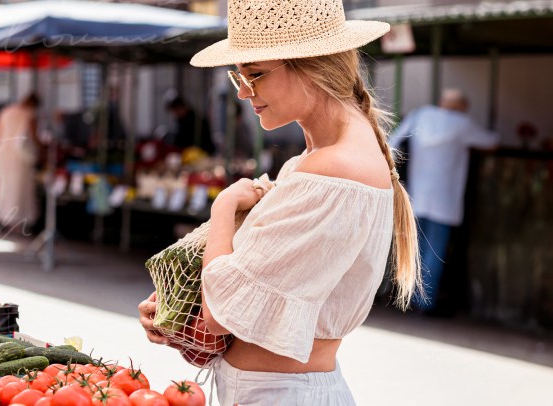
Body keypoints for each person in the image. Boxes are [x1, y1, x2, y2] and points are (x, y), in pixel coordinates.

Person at [138, 0, 422, 404]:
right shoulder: (320, 159)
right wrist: (175, 311)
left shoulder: (332, 169)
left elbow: (221, 315)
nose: (242, 91)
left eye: (254, 74)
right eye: (239, 75)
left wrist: (223, 208)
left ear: (312, 66)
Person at [389, 88, 498, 312]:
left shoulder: (420, 115)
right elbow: (490, 142)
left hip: (417, 195)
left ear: (441, 101)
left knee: (413, 249)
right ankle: (424, 302)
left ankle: (404, 298)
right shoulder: (462, 123)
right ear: (462, 106)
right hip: (444, 199)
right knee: (434, 251)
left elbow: (393, 141)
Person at [0, 93, 41, 231]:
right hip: (20, 158)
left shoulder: (6, 111)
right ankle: (18, 220)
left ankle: (6, 217)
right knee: (20, 188)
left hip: (3, 154)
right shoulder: (29, 114)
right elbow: (35, 137)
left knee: (6, 186)